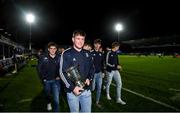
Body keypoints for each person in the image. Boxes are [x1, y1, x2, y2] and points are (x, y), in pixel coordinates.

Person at [60, 30, 95, 113]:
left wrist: (89, 78)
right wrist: (72, 88)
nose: (80, 41)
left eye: (82, 39)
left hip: (86, 91)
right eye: (78, 38)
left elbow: (92, 69)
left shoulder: (88, 53)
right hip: (72, 92)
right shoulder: (66, 53)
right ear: (73, 39)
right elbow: (62, 73)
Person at [37, 42, 61, 112]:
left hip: (56, 81)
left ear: (56, 49)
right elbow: (39, 68)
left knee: (56, 99)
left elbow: (62, 68)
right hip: (47, 80)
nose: (53, 50)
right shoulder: (43, 57)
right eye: (51, 48)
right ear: (48, 49)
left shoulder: (59, 57)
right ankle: (48, 103)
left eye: (54, 48)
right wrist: (43, 78)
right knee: (48, 94)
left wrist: (59, 76)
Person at [91, 39, 104, 108]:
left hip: (99, 74)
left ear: (100, 45)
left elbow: (102, 64)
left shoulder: (101, 53)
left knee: (99, 88)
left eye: (98, 44)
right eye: (96, 44)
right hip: (93, 74)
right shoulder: (91, 53)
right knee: (92, 88)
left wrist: (103, 72)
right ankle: (87, 99)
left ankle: (97, 102)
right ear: (94, 44)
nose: (97, 45)